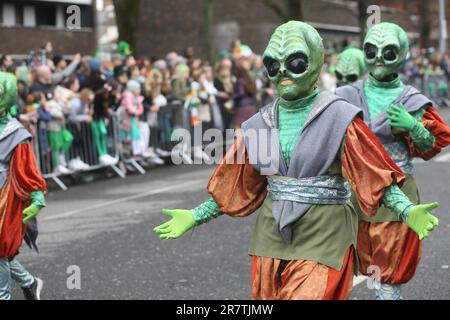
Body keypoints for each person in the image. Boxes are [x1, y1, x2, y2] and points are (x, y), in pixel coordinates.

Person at [154, 21, 440, 300]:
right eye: (273, 65)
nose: (282, 73)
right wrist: (195, 216)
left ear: (314, 62)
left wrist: (406, 210)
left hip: (324, 231)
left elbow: (371, 172)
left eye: (295, 62)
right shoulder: (262, 123)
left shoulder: (338, 117)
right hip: (272, 234)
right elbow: (240, 182)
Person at [336, 22, 450, 300]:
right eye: (371, 50)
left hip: (397, 185)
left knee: (389, 265)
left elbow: (432, 145)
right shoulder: (348, 94)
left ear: (403, 54)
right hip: (358, 189)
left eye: (387, 52)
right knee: (359, 259)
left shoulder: (411, 99)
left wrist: (415, 126)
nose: (377, 58)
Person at [0, 72, 47, 300]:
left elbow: (29, 172)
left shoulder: (16, 134)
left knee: (0, 251)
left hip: (5, 200)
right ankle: (30, 282)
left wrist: (37, 199)